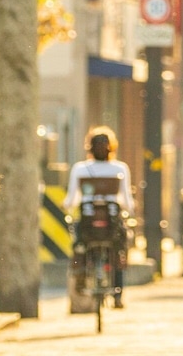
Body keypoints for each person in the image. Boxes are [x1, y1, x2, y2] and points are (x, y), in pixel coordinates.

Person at [65, 126, 133, 308]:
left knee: (78, 244)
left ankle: (80, 273)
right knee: (119, 248)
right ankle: (118, 294)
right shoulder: (120, 168)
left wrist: (67, 207)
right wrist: (130, 211)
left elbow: (71, 200)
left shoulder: (80, 169)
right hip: (112, 221)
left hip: (88, 221)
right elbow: (127, 200)